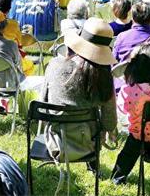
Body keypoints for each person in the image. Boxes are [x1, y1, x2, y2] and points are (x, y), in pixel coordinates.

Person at [40, 17, 117, 162]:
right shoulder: (104, 78)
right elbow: (110, 122)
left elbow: (43, 105)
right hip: (90, 145)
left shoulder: (54, 65)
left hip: (55, 143)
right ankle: (93, 166)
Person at [111, 43, 150, 185]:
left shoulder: (127, 90)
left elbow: (122, 109)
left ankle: (118, 177)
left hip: (138, 138)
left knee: (126, 155)